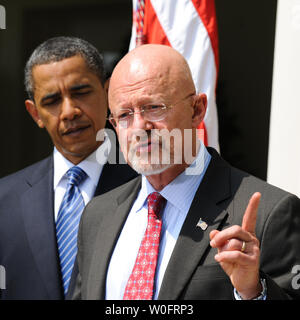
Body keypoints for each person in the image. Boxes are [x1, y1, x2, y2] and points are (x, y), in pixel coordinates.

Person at [72, 44, 300, 300]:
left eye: (154, 107)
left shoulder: (270, 214)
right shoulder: (96, 216)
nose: (139, 127)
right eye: (125, 115)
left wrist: (253, 291)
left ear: (197, 109)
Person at [0, 37, 137, 300]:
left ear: (107, 93)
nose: (69, 111)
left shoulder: (150, 186)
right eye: (51, 100)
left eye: (81, 92)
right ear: (35, 114)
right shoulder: (4, 202)